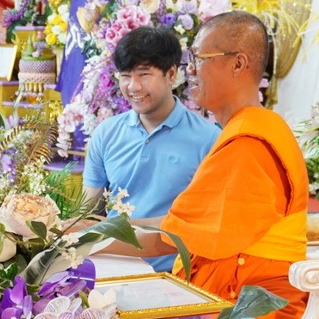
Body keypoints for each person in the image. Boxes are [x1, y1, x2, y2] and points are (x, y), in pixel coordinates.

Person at [103, 12, 308, 319]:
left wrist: (83, 240)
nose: (190, 70)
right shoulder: (243, 130)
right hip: (234, 291)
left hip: (258, 304)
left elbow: (173, 238)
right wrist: (100, 228)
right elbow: (184, 223)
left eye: (199, 58)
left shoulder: (249, 143)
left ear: (238, 64)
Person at [82, 25, 218, 271]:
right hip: (109, 268)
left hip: (175, 273)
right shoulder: (106, 133)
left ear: (171, 74)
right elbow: (89, 214)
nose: (133, 86)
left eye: (144, 74)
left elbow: (204, 223)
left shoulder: (209, 139)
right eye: (125, 75)